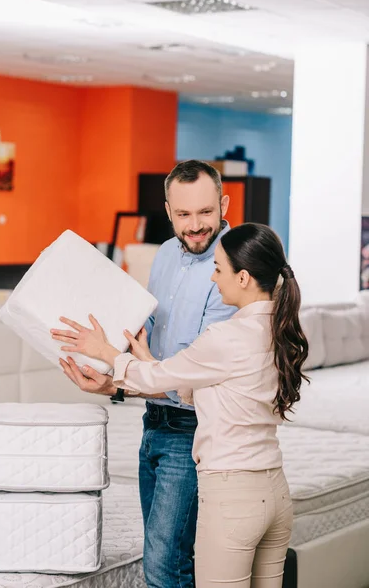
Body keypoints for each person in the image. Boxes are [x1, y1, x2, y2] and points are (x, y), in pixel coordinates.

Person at [52, 222, 309, 588]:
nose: (213, 279)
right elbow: (199, 386)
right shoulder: (280, 330)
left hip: (233, 499)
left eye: (219, 269)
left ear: (244, 278)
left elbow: (161, 380)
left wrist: (104, 351)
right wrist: (146, 364)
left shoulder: (226, 336)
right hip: (275, 493)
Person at [55, 160, 236, 588]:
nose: (195, 226)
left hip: (193, 430)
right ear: (169, 211)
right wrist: (111, 382)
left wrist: (122, 377)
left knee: (163, 563)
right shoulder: (165, 255)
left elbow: (195, 371)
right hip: (152, 424)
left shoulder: (234, 267)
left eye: (206, 213)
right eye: (184, 214)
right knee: (168, 558)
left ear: (224, 204)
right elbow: (146, 343)